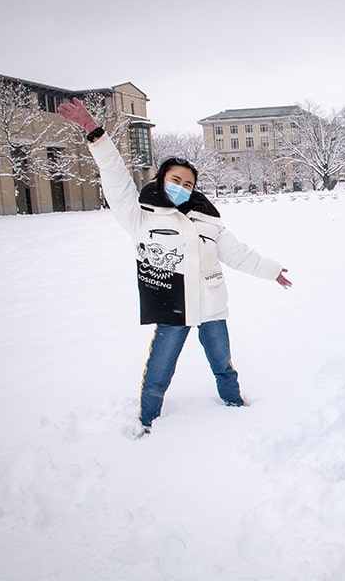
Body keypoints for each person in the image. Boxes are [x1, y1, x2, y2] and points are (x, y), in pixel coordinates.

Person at [58, 98, 292, 438]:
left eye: (188, 184)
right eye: (175, 179)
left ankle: (235, 410)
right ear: (161, 179)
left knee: (223, 365)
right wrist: (94, 132)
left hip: (212, 308)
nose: (181, 187)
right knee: (159, 370)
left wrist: (271, 270)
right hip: (172, 310)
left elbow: (238, 253)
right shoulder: (140, 218)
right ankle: (147, 420)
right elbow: (116, 179)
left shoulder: (207, 221)